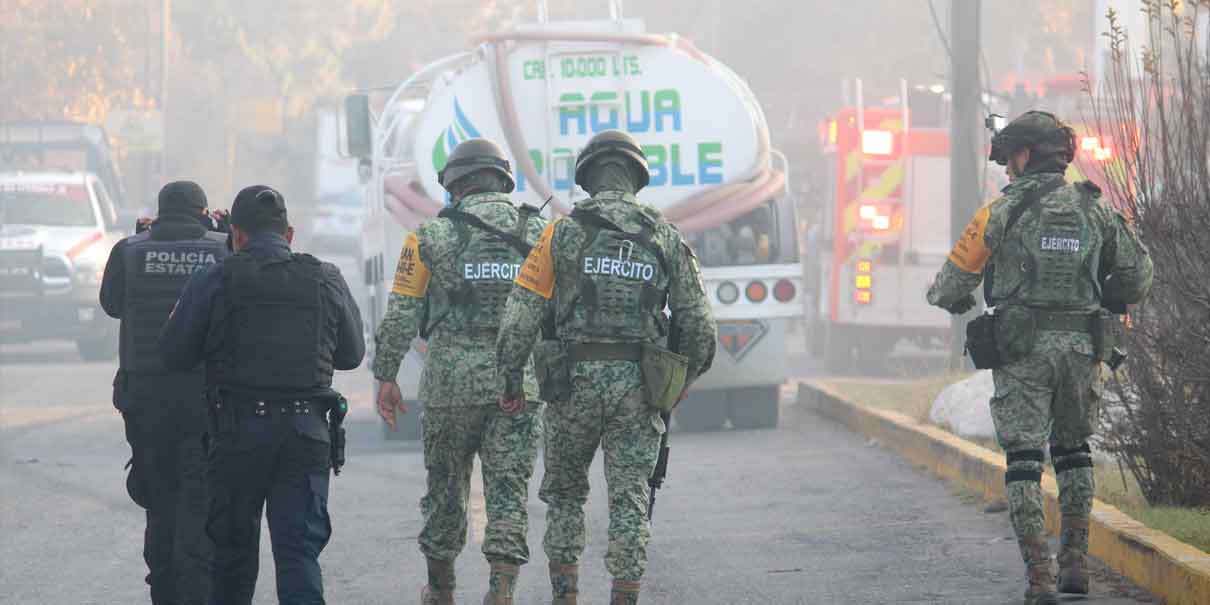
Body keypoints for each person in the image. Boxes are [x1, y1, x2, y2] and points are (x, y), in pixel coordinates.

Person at [927, 111, 1153, 605]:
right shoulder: (1096, 210)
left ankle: (1040, 579)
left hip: (1023, 354)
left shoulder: (1001, 213)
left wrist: (956, 299)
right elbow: (1139, 275)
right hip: (1082, 352)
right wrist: (1104, 296)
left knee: (1025, 462)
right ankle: (1075, 564)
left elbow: (947, 286)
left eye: (1010, 158)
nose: (1007, 169)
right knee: (1074, 455)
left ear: (1026, 156)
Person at [495, 130, 717, 604]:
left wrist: (511, 377)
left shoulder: (561, 232)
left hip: (570, 386)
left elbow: (520, 314)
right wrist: (680, 383)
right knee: (630, 502)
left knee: (566, 499)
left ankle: (565, 598)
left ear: (587, 179)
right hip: (638, 390)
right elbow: (700, 328)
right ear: (636, 178)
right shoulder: (665, 235)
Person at [159, 185, 365, 605]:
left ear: (235, 234)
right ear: (289, 234)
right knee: (298, 554)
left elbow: (174, 354)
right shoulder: (325, 277)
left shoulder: (214, 278)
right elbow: (352, 354)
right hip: (305, 433)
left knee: (232, 558)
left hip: (237, 435)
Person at [372, 138, 548, 605]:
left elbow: (403, 312)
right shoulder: (540, 232)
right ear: (503, 179)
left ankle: (441, 591)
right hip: (516, 385)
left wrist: (386, 374)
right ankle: (501, 591)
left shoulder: (428, 238)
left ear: (453, 185)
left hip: (449, 387)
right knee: (509, 492)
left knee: (445, 490)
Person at [99, 181, 228, 604]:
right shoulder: (221, 249)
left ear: (157, 213)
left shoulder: (129, 250)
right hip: (203, 399)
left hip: (145, 397)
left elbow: (112, 304)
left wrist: (138, 237)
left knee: (159, 499)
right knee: (198, 499)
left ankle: (165, 591)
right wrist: (227, 234)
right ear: (203, 212)